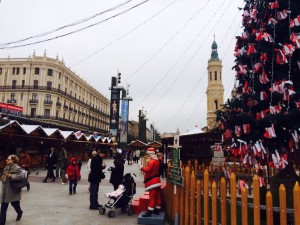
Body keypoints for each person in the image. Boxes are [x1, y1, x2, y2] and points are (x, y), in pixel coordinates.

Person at [0, 155, 24, 225]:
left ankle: (20, 212)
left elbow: (21, 176)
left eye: (8, 159)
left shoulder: (17, 167)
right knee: (3, 207)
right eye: (7, 159)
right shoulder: (6, 167)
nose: (6, 160)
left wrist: (11, 176)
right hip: (6, 190)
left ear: (13, 160)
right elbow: (4, 176)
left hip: (13, 190)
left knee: (15, 205)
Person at [139, 148, 162, 217]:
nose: (147, 155)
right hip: (157, 180)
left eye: (148, 154)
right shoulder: (157, 160)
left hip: (152, 182)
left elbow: (148, 170)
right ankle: (157, 209)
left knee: (152, 197)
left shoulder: (151, 161)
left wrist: (141, 167)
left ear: (150, 153)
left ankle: (149, 211)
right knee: (158, 196)